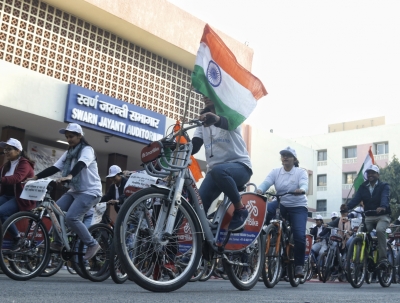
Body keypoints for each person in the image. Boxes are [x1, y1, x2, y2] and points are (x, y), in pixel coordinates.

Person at [27, 123, 102, 261]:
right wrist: (35, 177)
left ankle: (92, 244)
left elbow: (81, 164)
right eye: (67, 137)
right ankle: (58, 242)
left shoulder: (87, 150)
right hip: (75, 190)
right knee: (55, 211)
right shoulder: (69, 153)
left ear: (80, 136)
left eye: (71, 136)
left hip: (91, 191)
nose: (69, 139)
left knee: (71, 217)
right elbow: (55, 167)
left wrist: (69, 176)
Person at [191, 96, 252, 232]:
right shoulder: (203, 120)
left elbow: (225, 123)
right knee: (197, 209)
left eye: (209, 93)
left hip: (241, 167)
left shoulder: (231, 113)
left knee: (219, 170)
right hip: (215, 172)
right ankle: (206, 245)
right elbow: (194, 146)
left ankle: (240, 209)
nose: (205, 97)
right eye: (203, 94)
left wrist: (216, 119)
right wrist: (173, 145)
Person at [257, 146, 308, 278]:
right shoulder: (276, 172)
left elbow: (304, 184)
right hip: (281, 203)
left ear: (294, 159)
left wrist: (301, 189)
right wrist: (260, 190)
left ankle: (299, 266)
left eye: (288, 155)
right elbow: (266, 182)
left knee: (299, 235)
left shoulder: (300, 172)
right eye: (283, 155)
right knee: (266, 209)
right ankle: (268, 232)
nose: (285, 157)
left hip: (298, 206)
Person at [347, 164, 391, 266]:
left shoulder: (384, 186)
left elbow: (385, 197)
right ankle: (357, 261)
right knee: (359, 234)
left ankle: (383, 259)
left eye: (373, 173)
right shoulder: (363, 187)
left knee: (380, 230)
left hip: (382, 216)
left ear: (378, 175)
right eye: (368, 173)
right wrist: (347, 207)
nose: (370, 175)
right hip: (369, 217)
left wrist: (383, 206)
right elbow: (356, 199)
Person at [0, 138, 35, 250]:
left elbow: (17, 178)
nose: (6, 152)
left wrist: (1, 180)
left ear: (18, 150)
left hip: (21, 198)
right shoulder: (7, 165)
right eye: (5, 150)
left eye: (9, 149)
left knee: (2, 212)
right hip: (7, 196)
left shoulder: (25, 164)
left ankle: (17, 238)